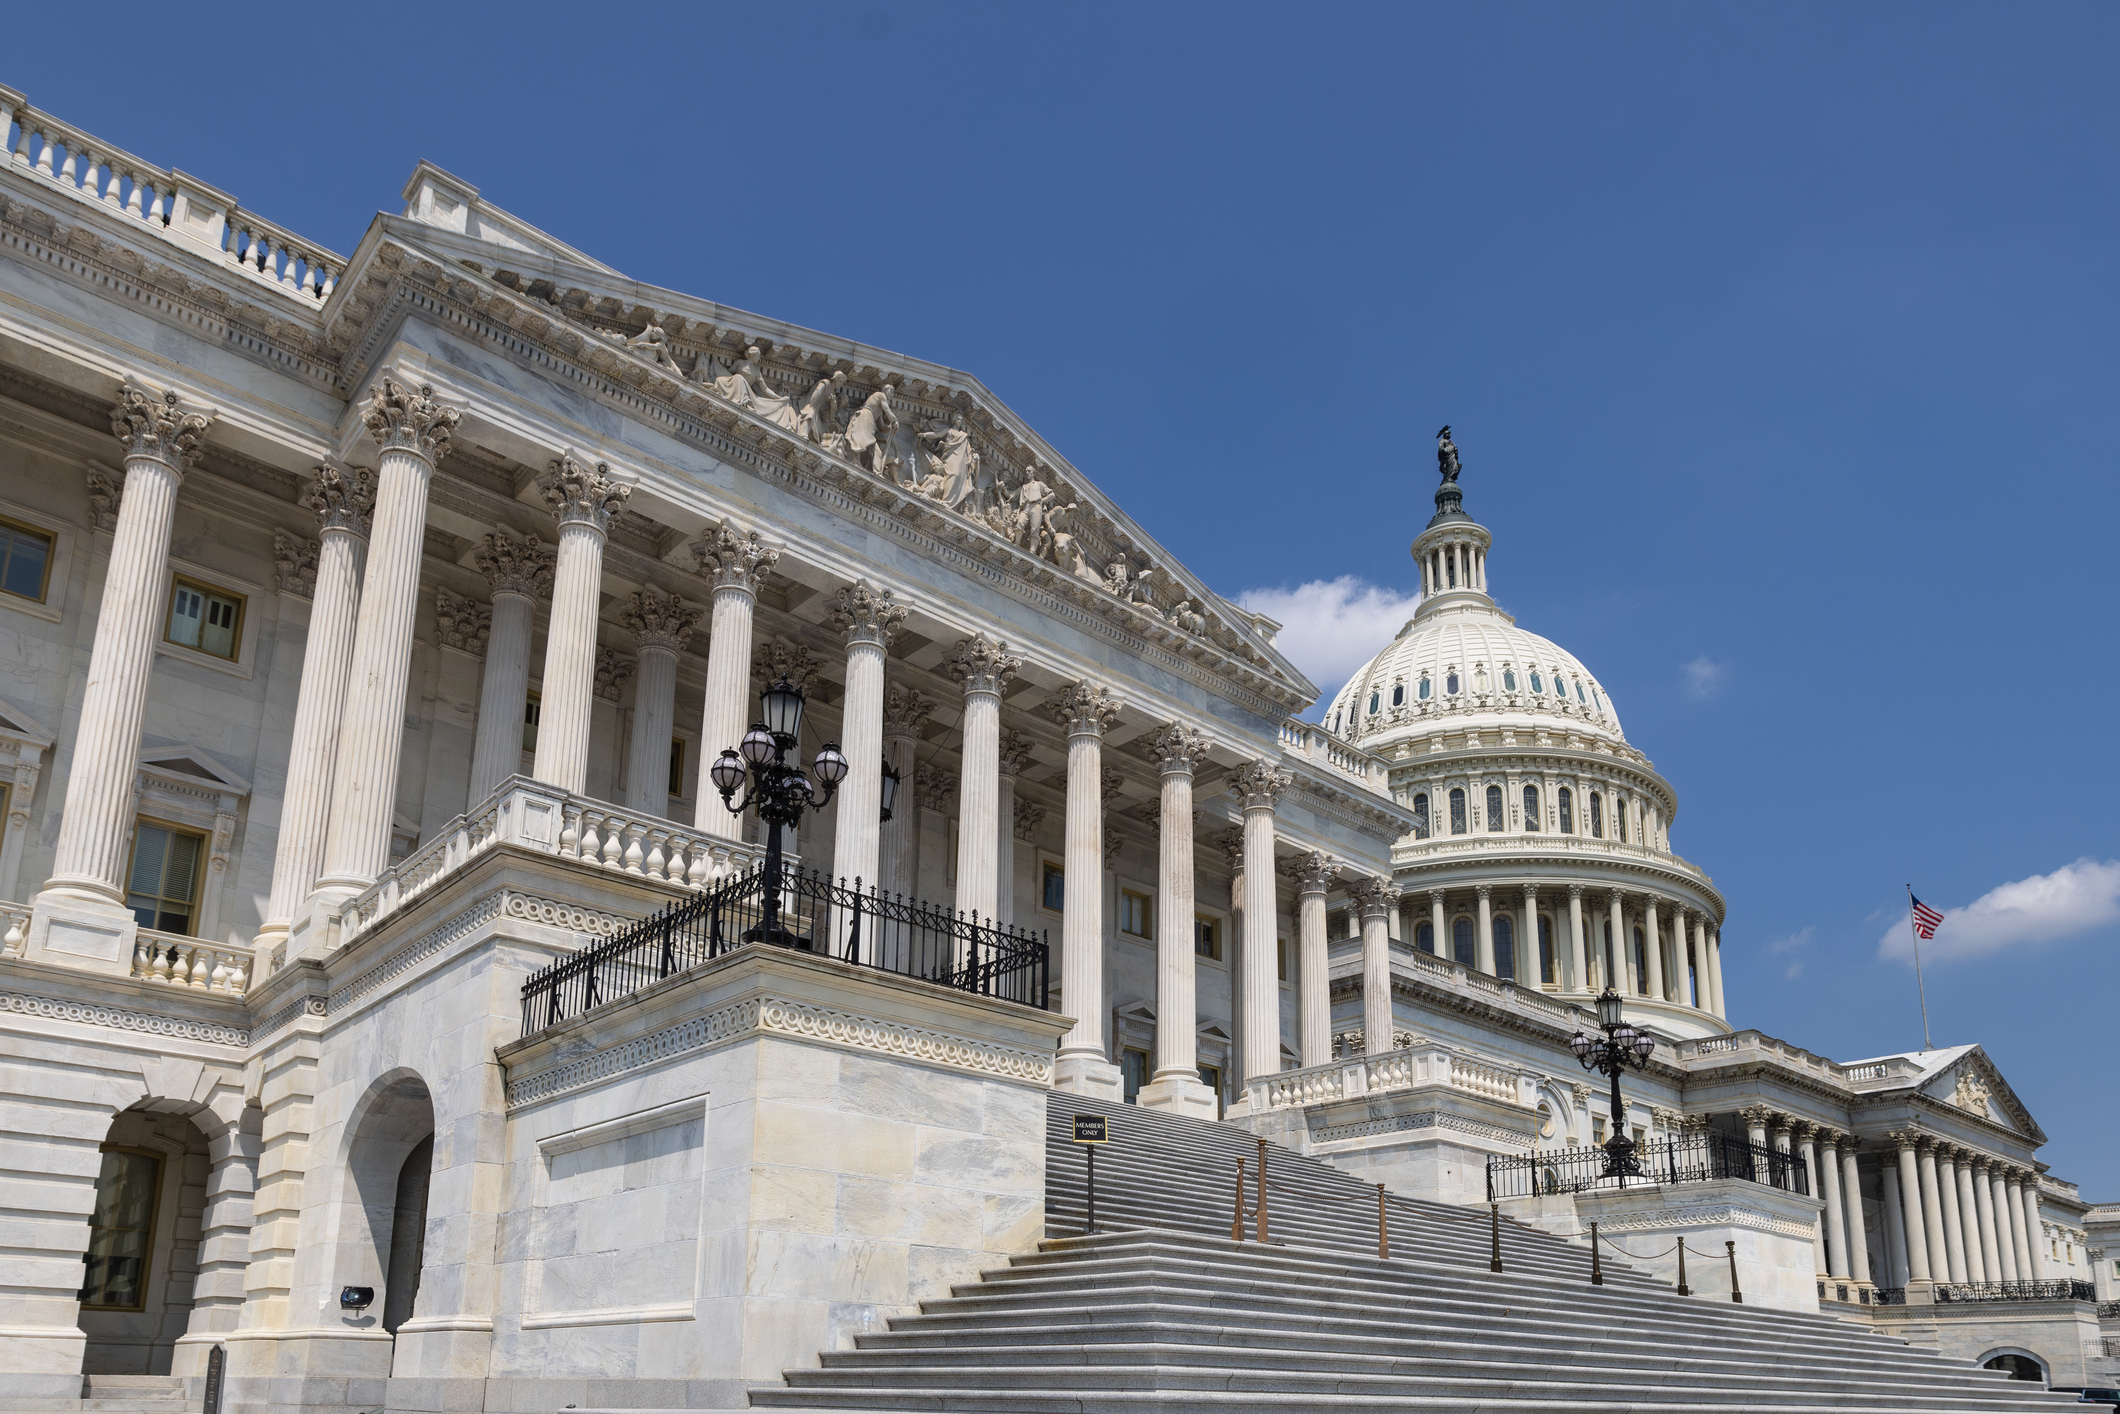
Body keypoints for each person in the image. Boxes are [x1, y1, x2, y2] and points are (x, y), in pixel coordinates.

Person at [844, 382, 900, 477]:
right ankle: (855, 460)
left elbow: (882, 427)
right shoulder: (881, 395)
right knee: (862, 440)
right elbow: (888, 411)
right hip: (865, 418)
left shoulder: (878, 411)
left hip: (870, 421)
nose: (892, 394)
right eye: (891, 391)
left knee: (876, 451)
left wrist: (890, 427)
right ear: (886, 390)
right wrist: (896, 421)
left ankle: (877, 473)